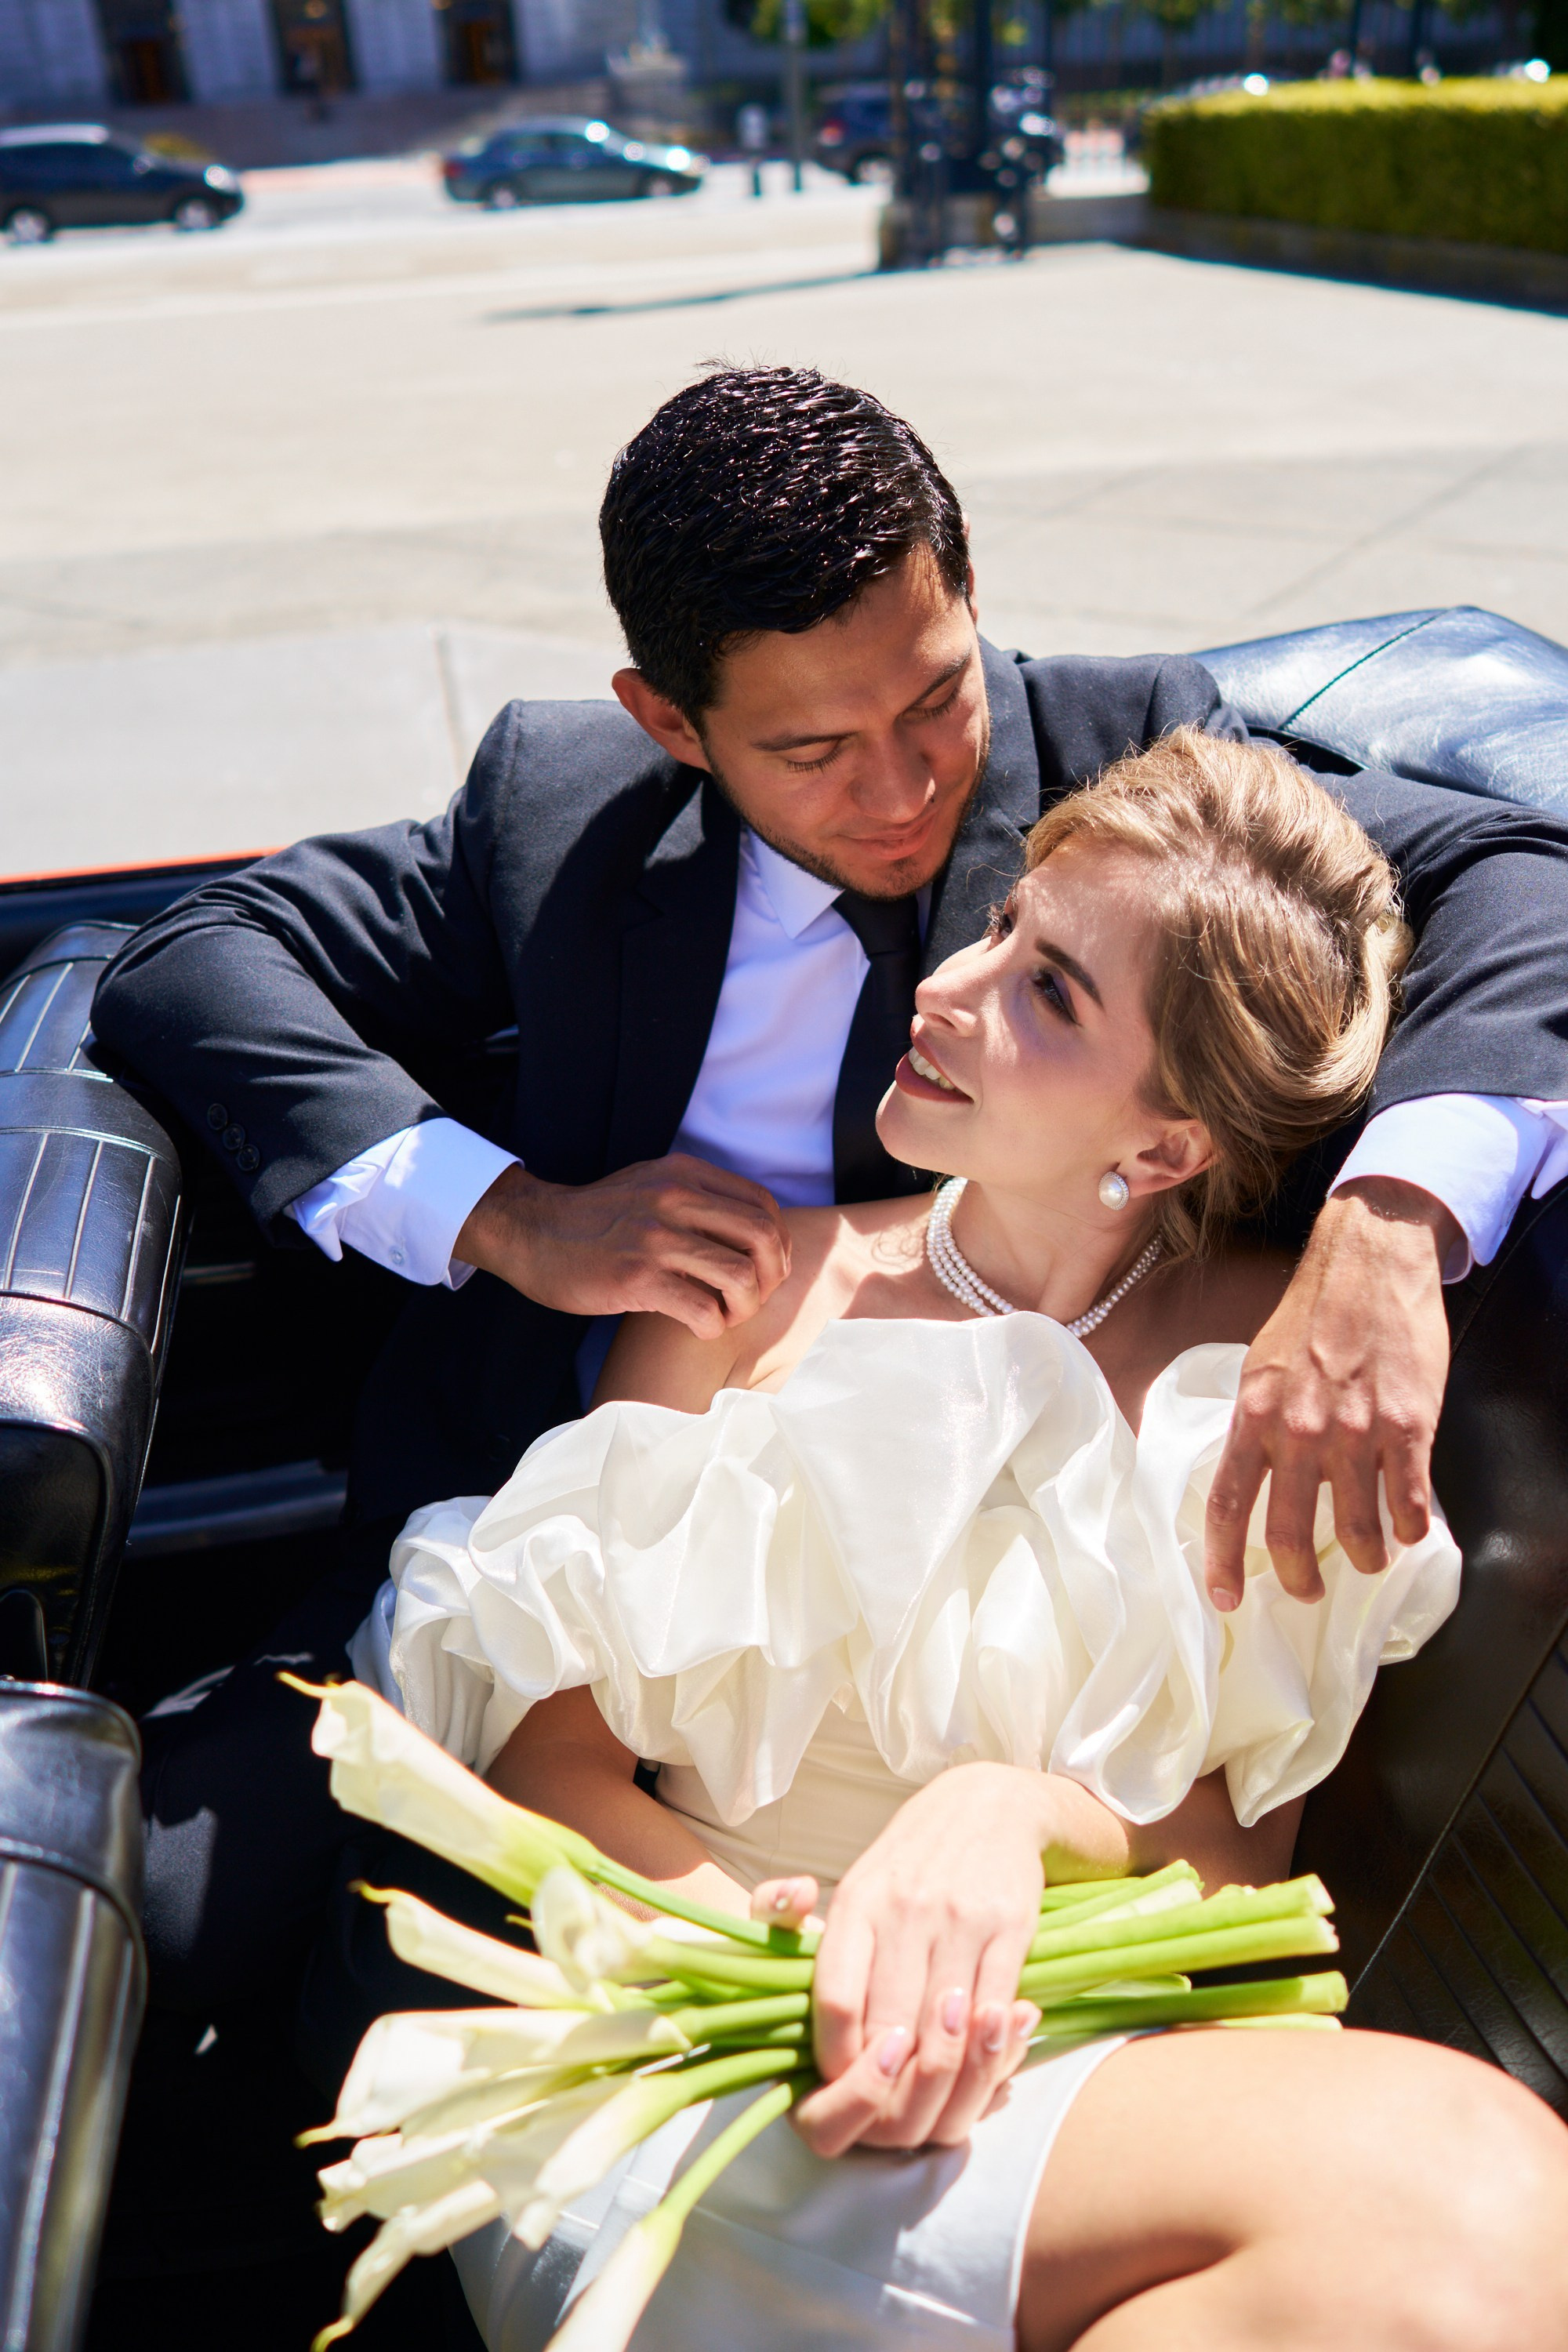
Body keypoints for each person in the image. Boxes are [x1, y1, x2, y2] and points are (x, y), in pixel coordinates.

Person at [93, 365, 1568, 2010]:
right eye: (812, 748)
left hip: (942, 1646)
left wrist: (1384, 1230)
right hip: (500, 1576)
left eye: (936, 698)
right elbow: (195, 957)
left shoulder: (1130, 754)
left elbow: (1515, 872)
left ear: (968, 602)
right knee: (115, 1938)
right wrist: (513, 1218)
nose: (906, 790)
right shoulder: (557, 805)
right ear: (671, 723)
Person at [347, 731, 1567, 2352]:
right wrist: (758, 1944)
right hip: (691, 2036)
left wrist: (1016, 1819)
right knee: (1472, 2197)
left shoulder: (1266, 1386)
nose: (947, 987)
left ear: (1162, 1147)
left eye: (1048, 991)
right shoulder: (741, 1289)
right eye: (1002, 926)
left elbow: (1232, 1860)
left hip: (1077, 2064)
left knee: (1428, 2259)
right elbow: (546, 1763)